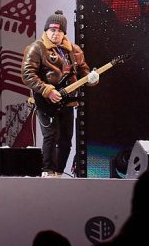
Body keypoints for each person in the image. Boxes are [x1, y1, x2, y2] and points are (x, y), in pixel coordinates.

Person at [21, 11, 98, 177]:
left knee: (66, 139)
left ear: (64, 33)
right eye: (52, 30)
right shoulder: (36, 48)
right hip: (46, 101)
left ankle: (59, 172)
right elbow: (27, 74)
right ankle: (47, 171)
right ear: (46, 30)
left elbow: (84, 72)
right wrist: (47, 90)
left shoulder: (74, 50)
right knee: (51, 136)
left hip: (67, 101)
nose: (55, 34)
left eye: (59, 31)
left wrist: (92, 78)